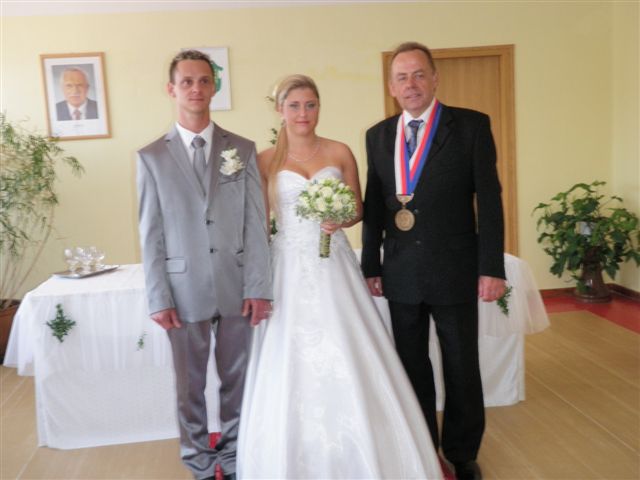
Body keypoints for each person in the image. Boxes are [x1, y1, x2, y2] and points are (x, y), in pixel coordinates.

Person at [237, 74, 443, 480]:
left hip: (335, 263)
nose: (303, 113)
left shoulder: (339, 151)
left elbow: (359, 210)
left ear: (319, 107)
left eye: (310, 104)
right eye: (294, 105)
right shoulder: (265, 160)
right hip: (288, 266)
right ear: (280, 110)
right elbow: (259, 224)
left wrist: (340, 217)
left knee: (349, 344)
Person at [361, 41, 506, 480]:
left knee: (461, 364)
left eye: (419, 74)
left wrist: (491, 267)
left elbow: (490, 201)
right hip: (401, 271)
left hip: (454, 268)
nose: (411, 84)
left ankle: (462, 454)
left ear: (435, 78)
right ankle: (423, 446)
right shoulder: (378, 135)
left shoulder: (471, 126)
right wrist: (371, 265)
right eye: (401, 77)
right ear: (391, 87)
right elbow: (374, 205)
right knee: (411, 366)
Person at [136, 50, 272, 480]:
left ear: (214, 87)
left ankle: (232, 459)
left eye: (204, 81)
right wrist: (158, 297)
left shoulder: (242, 149)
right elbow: (150, 233)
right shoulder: (151, 157)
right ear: (171, 89)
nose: (196, 89)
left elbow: (255, 223)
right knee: (189, 386)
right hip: (182, 291)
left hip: (236, 286)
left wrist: (259, 286)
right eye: (187, 81)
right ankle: (198, 462)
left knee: (238, 381)